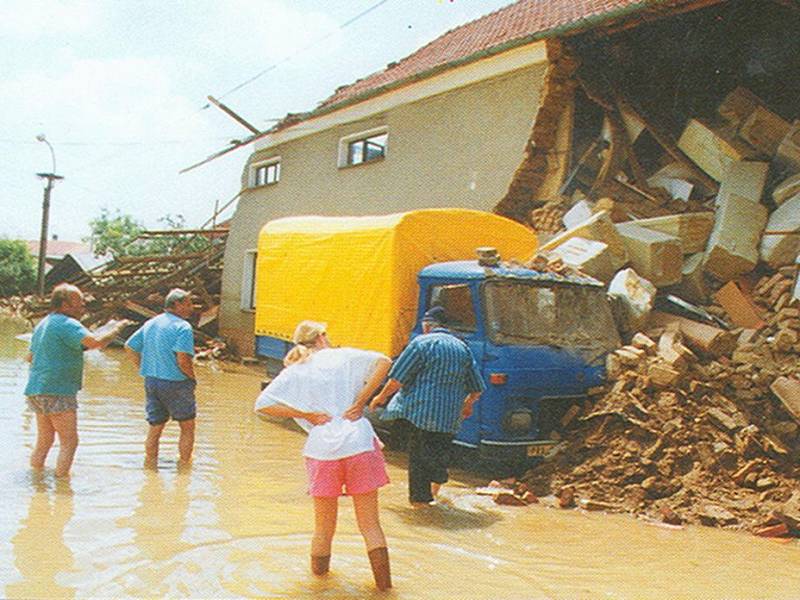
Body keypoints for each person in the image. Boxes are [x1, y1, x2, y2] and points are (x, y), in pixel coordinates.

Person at [254, 320, 393, 590]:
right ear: (322, 337)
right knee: (370, 525)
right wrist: (361, 401)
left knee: (323, 528)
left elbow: (262, 405)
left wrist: (306, 415)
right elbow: (385, 362)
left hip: (322, 450)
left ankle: (318, 588)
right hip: (359, 443)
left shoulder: (295, 370)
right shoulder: (344, 356)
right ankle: (385, 591)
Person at [370, 306, 484, 507]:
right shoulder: (462, 348)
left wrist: (380, 396)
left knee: (419, 459)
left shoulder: (421, 343)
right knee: (439, 454)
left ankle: (421, 506)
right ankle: (435, 499)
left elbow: (397, 379)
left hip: (422, 413)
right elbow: (477, 388)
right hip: (449, 416)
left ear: (427, 325)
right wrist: (467, 406)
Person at [24, 283, 130, 477]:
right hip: (58, 389)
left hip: (36, 389)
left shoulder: (43, 323)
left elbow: (30, 357)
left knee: (44, 440)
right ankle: (62, 486)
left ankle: (36, 480)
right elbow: (95, 343)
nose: (83, 307)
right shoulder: (67, 323)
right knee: (69, 442)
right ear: (64, 304)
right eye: (79, 303)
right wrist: (117, 328)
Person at [124, 288, 197, 468]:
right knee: (187, 427)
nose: (192, 308)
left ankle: (150, 467)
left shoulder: (151, 323)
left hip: (152, 381)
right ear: (177, 305)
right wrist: (192, 378)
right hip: (176, 383)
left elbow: (129, 346)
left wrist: (143, 368)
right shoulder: (183, 327)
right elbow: (183, 359)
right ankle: (185, 467)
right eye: (188, 304)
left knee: (155, 427)